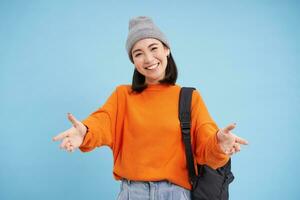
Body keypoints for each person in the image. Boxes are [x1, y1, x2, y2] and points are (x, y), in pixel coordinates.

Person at [53, 16, 248, 200]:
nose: (148, 58)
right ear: (134, 62)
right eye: (138, 53)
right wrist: (84, 132)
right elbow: (101, 122)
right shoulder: (123, 96)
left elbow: (206, 146)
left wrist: (219, 145)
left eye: (153, 48)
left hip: (176, 194)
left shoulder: (189, 98)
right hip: (133, 193)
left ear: (166, 50)